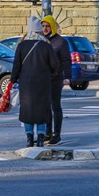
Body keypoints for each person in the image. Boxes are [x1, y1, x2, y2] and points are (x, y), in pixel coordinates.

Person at [11, 15, 58, 148]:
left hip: (26, 84)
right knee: (42, 110)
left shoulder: (21, 45)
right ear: (39, 31)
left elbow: (16, 65)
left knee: (27, 110)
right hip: (43, 83)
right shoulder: (46, 46)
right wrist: (52, 75)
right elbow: (55, 65)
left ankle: (29, 138)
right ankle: (41, 138)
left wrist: (13, 79)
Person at [40, 15, 71, 145]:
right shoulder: (41, 40)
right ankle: (47, 133)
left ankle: (56, 134)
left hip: (56, 78)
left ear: (52, 27)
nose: (45, 29)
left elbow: (66, 60)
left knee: (55, 106)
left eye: (48, 26)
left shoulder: (60, 42)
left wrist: (68, 77)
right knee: (45, 107)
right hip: (43, 78)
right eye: (43, 26)